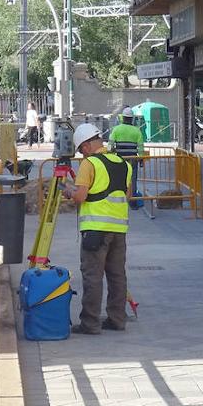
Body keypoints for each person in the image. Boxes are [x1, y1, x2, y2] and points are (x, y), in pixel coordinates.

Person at [64, 123, 133, 335]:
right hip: (119, 230)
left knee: (92, 276)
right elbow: (127, 196)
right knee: (117, 276)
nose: (81, 154)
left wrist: (68, 190)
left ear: (85, 146)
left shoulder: (90, 164)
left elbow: (81, 196)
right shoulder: (124, 164)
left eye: (80, 150)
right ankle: (117, 319)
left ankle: (90, 323)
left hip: (95, 229)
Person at [108, 107, 146, 210]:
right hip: (132, 159)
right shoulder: (136, 131)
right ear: (131, 119)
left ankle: (118, 202)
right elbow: (141, 147)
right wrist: (141, 159)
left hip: (119, 159)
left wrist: (110, 154)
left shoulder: (116, 129)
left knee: (118, 179)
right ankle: (132, 201)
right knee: (132, 180)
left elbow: (110, 145)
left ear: (123, 118)